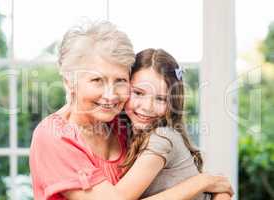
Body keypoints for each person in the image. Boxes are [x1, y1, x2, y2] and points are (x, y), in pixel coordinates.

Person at [29, 21, 233, 200]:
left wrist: (216, 190)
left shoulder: (127, 122)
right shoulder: (54, 136)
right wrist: (202, 182)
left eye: (120, 81)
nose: (110, 95)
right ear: (69, 82)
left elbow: (190, 175)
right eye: (97, 80)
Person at [115, 48, 231, 200]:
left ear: (173, 103)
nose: (147, 107)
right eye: (138, 93)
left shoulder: (162, 138)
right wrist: (201, 182)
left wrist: (203, 182)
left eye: (161, 99)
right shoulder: (126, 134)